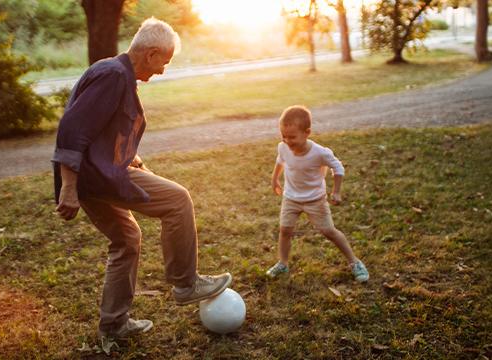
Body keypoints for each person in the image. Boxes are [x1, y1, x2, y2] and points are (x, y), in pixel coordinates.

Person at [50, 18, 232, 341]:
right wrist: (68, 187)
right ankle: (185, 283)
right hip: (95, 180)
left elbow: (102, 130)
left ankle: (114, 325)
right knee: (178, 200)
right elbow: (72, 130)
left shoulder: (118, 75)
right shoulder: (114, 75)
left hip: (95, 177)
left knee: (127, 239)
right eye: (165, 61)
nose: (163, 70)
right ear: (150, 54)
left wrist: (128, 156)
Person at [264, 105, 369, 283]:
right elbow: (280, 161)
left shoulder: (320, 153)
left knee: (328, 231)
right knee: (285, 230)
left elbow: (338, 167)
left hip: (315, 200)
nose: (287, 141)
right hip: (291, 198)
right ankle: (283, 263)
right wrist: (275, 179)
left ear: (307, 133)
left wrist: (336, 191)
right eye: (284, 136)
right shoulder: (283, 147)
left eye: (292, 137)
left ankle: (355, 262)